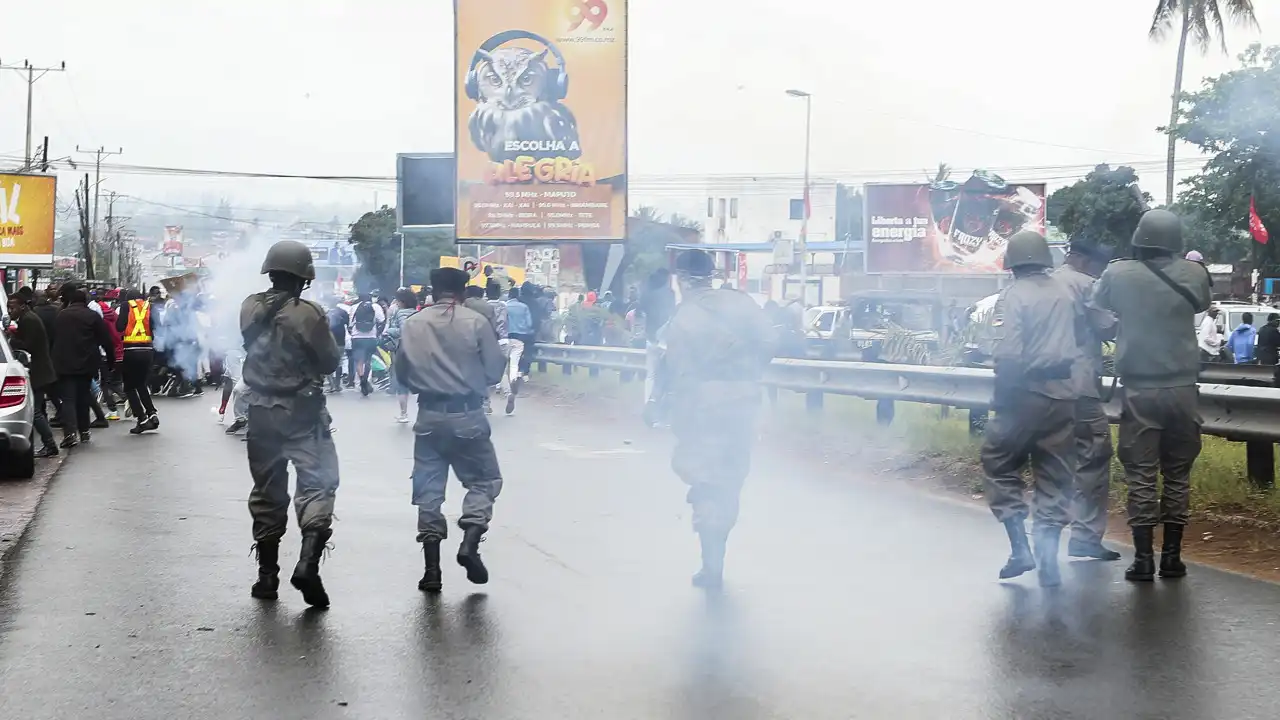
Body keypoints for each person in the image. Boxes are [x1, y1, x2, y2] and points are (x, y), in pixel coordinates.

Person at [1094, 208, 1213, 582]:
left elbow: (1098, 311)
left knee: (1142, 474)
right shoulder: (1194, 273)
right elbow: (1204, 304)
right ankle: (1173, 558)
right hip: (1182, 389)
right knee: (1177, 473)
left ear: (1139, 239)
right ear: (1176, 241)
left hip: (1140, 390)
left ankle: (1143, 560)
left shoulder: (1117, 273)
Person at [658, 249, 773, 589]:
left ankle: (712, 563)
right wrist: (747, 372)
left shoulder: (683, 317)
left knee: (705, 480)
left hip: (703, 406)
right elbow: (770, 340)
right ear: (711, 274)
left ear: (680, 280)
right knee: (732, 478)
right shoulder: (741, 302)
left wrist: (668, 407)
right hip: (745, 402)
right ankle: (715, 555)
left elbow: (676, 370)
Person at [241, 240, 343, 607]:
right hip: (302, 412)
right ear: (303, 278)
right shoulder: (308, 313)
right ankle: (307, 564)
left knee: (267, 492)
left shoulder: (249, 306)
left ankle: (267, 577)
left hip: (260, 413)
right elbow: (329, 361)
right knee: (318, 485)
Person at [980, 231, 1082, 588]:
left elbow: (1008, 354)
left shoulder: (1012, 296)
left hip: (1025, 392)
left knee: (998, 460)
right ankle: (1049, 558)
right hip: (1064, 394)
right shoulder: (1064, 292)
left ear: (1012, 264)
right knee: (1055, 473)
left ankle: (1020, 547)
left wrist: (1002, 401)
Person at [395, 267, 506, 592]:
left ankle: (432, 572)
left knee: (429, 492)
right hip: (467, 414)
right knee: (484, 480)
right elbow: (495, 370)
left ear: (433, 289)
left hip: (428, 415)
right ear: (463, 290)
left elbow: (401, 369)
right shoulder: (476, 322)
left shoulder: (413, 323)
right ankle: (470, 539)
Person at [1052, 238, 1121, 562]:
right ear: (1084, 259)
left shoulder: (1043, 282)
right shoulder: (1086, 285)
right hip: (1077, 386)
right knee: (1094, 453)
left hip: (1038, 388)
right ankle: (1084, 535)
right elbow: (1107, 327)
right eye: (1098, 264)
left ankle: (1043, 539)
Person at [50, 288, 115, 449]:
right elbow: (106, 340)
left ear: (70, 300)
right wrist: (111, 362)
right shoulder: (92, 316)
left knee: (68, 399)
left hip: (64, 364)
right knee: (83, 397)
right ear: (85, 301)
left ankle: (70, 434)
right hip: (87, 364)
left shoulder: (61, 315)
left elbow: (53, 339)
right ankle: (84, 431)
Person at [8, 291, 58, 457]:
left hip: (38, 371)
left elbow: (28, 346)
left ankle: (50, 444)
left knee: (35, 411)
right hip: (41, 370)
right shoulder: (27, 318)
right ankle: (48, 443)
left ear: (22, 306)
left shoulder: (29, 320)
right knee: (40, 410)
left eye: (12, 307)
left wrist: (12, 338)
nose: (9, 311)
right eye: (8, 307)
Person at [117, 289, 161, 434]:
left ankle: (141, 419)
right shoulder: (150, 306)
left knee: (129, 387)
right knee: (141, 384)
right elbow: (157, 326)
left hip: (131, 351)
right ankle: (152, 413)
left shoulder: (125, 306)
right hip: (148, 350)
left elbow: (119, 326)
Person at [637, 268, 675, 412]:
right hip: (666, 341)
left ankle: (649, 405)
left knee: (651, 375)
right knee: (666, 375)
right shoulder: (669, 294)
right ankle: (663, 408)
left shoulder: (647, 295)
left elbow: (641, 313)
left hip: (651, 338)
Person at [381, 288, 420, 423]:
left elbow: (404, 330)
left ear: (402, 301)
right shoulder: (418, 313)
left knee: (401, 382)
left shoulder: (401, 313)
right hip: (418, 348)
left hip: (403, 349)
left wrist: (390, 331)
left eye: (397, 300)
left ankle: (404, 413)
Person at [348, 291, 385, 396]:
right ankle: (365, 379)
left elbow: (350, 324)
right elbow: (381, 320)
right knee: (368, 360)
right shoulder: (375, 307)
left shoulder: (354, 307)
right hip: (371, 337)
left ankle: (362, 381)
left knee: (359, 361)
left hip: (357, 338)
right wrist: (378, 333)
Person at [505, 286, 534, 415]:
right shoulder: (524, 307)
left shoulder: (504, 306)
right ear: (518, 295)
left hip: (506, 337)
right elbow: (529, 323)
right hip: (520, 337)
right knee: (514, 363)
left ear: (509, 296)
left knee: (504, 362)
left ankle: (503, 386)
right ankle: (513, 381)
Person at [484, 281, 510, 415]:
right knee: (503, 371)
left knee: (486, 373)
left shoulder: (484, 307)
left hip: (490, 341)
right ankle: (508, 392)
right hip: (504, 340)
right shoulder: (504, 306)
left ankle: (486, 404)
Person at [325, 297, 350, 393]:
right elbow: (349, 325)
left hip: (328, 341)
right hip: (340, 341)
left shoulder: (326, 313)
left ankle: (332, 385)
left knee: (327, 363)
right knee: (339, 363)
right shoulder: (342, 312)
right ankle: (337, 385)